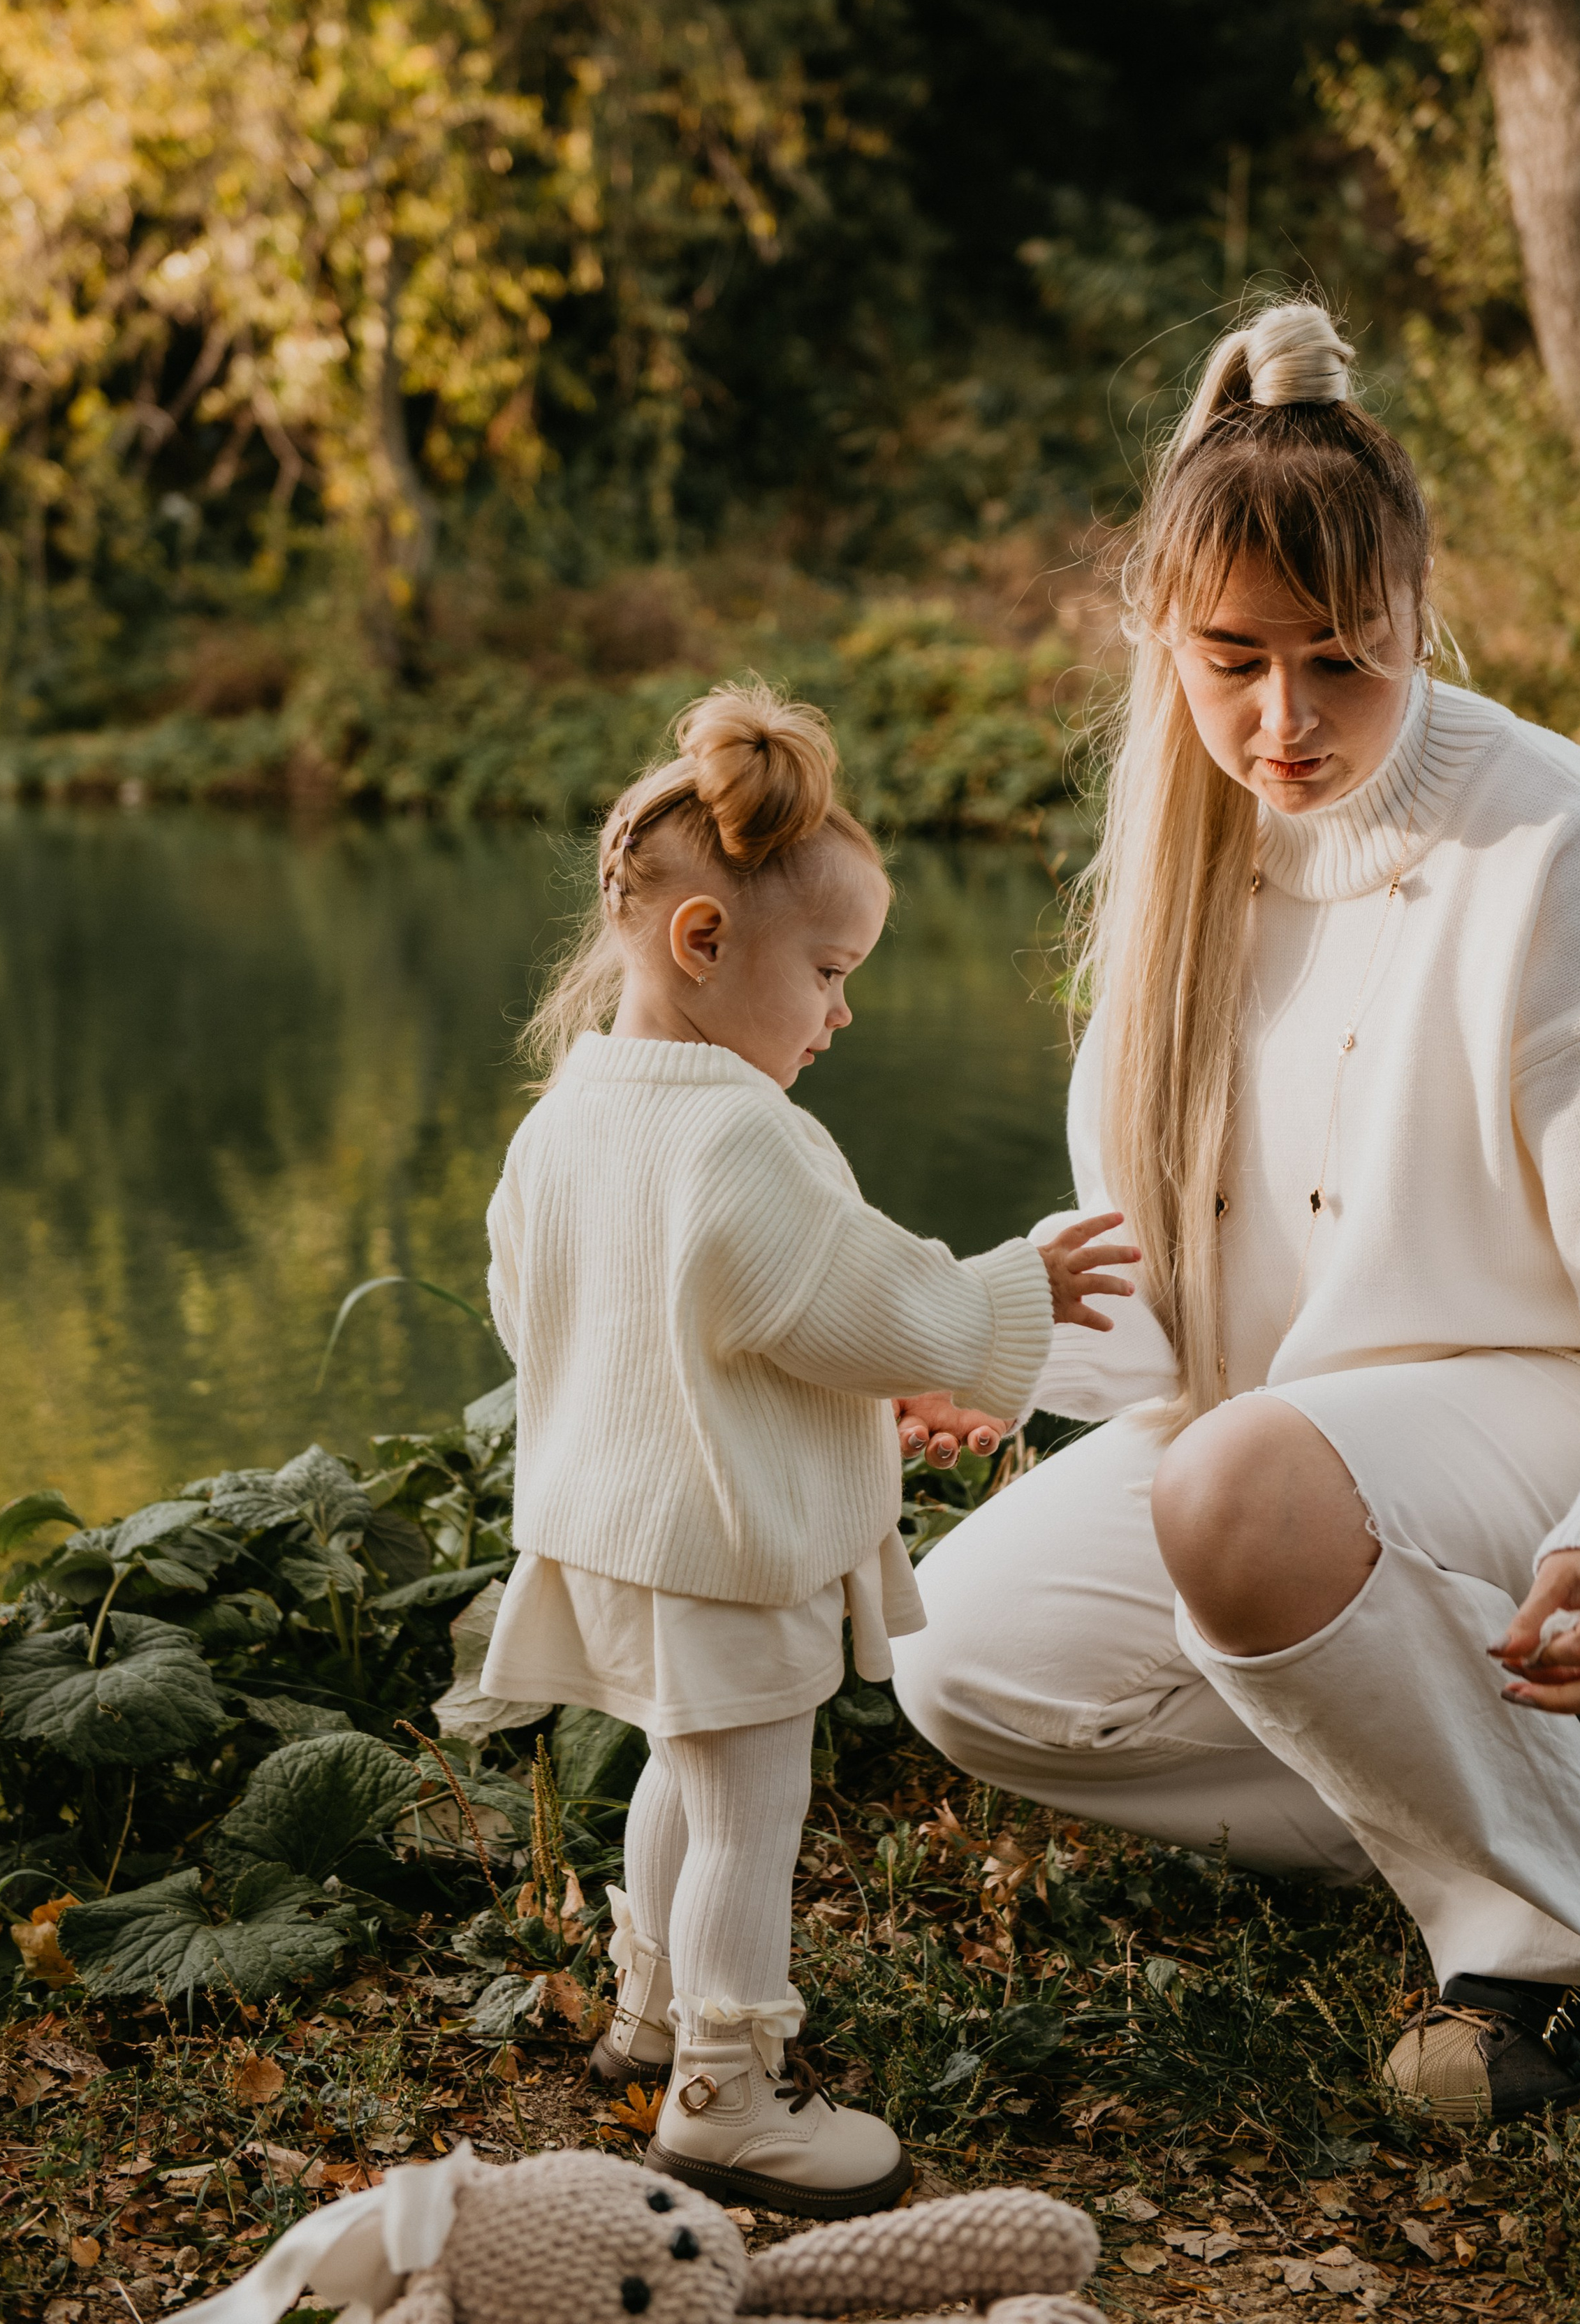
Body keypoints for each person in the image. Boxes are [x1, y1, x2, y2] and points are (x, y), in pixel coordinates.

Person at [891, 298, 1580, 2124]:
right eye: (1232, 662)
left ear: (1417, 629)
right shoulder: (1176, 870)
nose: (1281, 723)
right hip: (1299, 1453)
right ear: (1167, 644)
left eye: (1340, 665)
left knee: (1237, 1482)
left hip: (1546, 1416)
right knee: (960, 1657)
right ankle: (1511, 1823)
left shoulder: (1556, 846)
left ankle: (1544, 1960)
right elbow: (1176, 1281)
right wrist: (987, 1353)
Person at [481, 680, 1136, 2216]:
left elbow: (547, 1318)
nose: (841, 1011)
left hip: (615, 1528)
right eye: (827, 972)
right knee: (750, 1810)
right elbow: (848, 1298)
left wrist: (778, 1386)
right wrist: (1004, 1291)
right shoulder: (738, 1133)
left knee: (680, 1768)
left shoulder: (564, 1115)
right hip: (726, 1543)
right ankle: (725, 2094)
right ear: (704, 943)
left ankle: (646, 2004)